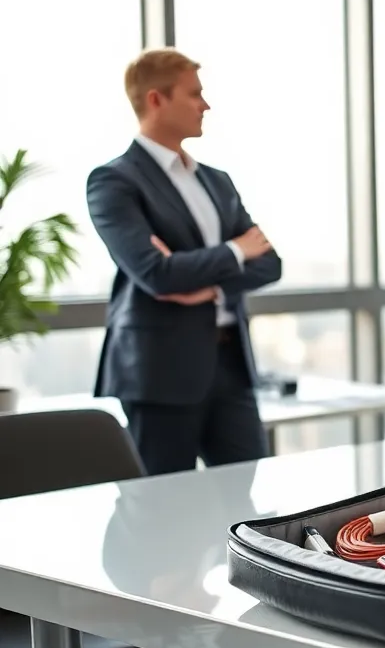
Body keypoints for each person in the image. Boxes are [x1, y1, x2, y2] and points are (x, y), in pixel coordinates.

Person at [86, 48, 282, 476]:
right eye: (195, 94)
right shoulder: (114, 181)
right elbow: (157, 274)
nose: (205, 105)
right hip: (159, 374)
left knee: (245, 508)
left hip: (231, 367)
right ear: (156, 99)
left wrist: (208, 285)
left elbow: (270, 264)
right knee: (157, 511)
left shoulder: (217, 180)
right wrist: (235, 251)